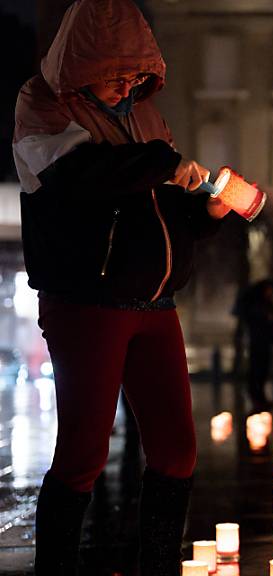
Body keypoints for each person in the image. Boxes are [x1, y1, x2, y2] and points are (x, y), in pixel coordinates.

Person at [11, 0, 232, 573]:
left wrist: (205, 214)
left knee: (177, 450)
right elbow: (78, 180)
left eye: (136, 76)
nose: (127, 86)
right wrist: (162, 162)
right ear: (82, 65)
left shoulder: (146, 117)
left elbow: (159, 214)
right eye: (115, 75)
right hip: (87, 303)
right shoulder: (41, 102)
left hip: (155, 303)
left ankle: (157, 564)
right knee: (84, 452)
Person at [244, 280, 273, 412]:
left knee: (264, 370)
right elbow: (255, 323)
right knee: (256, 370)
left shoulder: (269, 304)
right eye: (268, 289)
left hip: (266, 342)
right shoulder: (256, 305)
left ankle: (261, 396)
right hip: (257, 343)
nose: (270, 292)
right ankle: (256, 396)